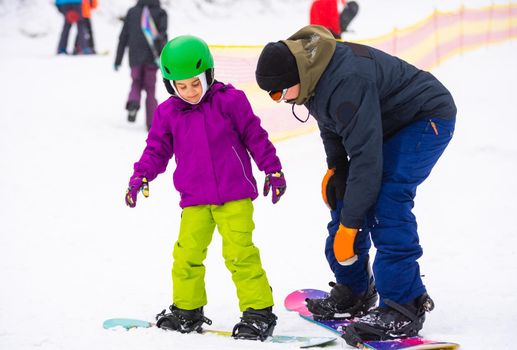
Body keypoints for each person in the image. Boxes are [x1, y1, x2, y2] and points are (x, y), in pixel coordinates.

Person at [255, 25, 456, 346]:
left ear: (295, 76)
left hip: (424, 117)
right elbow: (331, 124)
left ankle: (405, 305)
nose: (278, 100)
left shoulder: (345, 80)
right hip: (380, 124)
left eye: (279, 92)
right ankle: (355, 289)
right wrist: (337, 169)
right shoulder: (310, 75)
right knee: (346, 192)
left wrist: (350, 226)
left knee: (387, 200)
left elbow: (366, 157)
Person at [125, 35, 287, 341]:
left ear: (209, 74)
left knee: (240, 254)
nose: (190, 92)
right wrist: (141, 175)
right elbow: (156, 150)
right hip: (195, 198)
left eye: (195, 83)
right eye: (181, 86)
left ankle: (258, 312)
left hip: (234, 195)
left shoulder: (231, 101)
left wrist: (272, 169)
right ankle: (187, 310)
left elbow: (255, 136)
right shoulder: (167, 113)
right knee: (186, 254)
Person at [114, 0, 167, 130]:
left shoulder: (132, 12)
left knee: (136, 82)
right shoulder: (161, 13)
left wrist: (118, 60)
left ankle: (133, 103)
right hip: (152, 57)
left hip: (135, 57)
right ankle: (152, 123)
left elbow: (123, 37)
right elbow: (163, 36)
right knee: (150, 89)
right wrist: (165, 59)